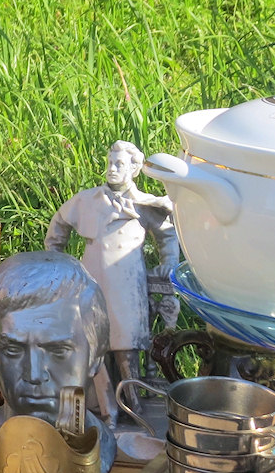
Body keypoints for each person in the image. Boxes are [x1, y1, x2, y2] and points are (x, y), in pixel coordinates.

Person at [44, 140, 180, 424]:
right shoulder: (87, 200)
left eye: (119, 164)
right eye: (110, 163)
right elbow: (59, 225)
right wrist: (57, 260)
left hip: (127, 282)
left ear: (134, 169)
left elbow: (166, 234)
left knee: (126, 344)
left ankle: (134, 403)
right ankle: (106, 409)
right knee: (95, 343)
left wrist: (168, 260)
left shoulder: (145, 204)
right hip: (93, 279)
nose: (112, 169)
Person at [0, 251, 117, 473]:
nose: (34, 374)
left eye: (58, 351)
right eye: (13, 349)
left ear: (96, 356)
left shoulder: (101, 449)